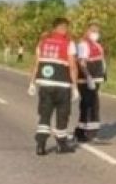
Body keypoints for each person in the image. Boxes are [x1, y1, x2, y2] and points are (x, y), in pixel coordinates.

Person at [28, 18, 79, 156]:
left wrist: (32, 82)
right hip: (62, 85)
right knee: (62, 115)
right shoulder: (69, 43)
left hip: (45, 84)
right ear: (60, 28)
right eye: (65, 27)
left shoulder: (43, 42)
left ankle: (41, 145)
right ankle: (61, 145)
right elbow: (73, 66)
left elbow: (36, 64)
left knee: (44, 114)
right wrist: (75, 87)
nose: (66, 29)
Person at [74, 23, 106, 142]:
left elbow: (100, 61)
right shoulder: (83, 44)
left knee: (90, 105)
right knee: (90, 105)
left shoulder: (96, 45)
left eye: (97, 31)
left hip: (95, 78)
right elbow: (82, 62)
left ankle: (83, 131)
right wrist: (88, 77)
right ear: (87, 31)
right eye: (93, 31)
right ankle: (87, 133)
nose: (96, 34)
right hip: (87, 79)